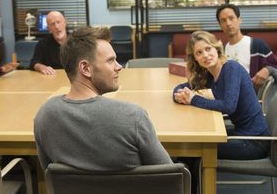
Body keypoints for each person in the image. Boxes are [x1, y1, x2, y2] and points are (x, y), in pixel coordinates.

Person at [34, 26, 173, 171]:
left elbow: (48, 172)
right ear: (85, 68)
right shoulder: (133, 117)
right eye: (110, 61)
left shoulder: (44, 116)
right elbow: (172, 176)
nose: (119, 67)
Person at [173, 31, 270, 160]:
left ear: (216, 48)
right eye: (199, 53)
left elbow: (228, 106)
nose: (205, 55)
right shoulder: (210, 75)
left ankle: (189, 172)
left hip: (254, 141)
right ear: (195, 59)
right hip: (241, 133)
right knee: (194, 139)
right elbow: (184, 86)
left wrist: (192, 99)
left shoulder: (231, 68)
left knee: (194, 147)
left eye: (208, 49)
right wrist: (178, 95)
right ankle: (191, 172)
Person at [217, 3, 277, 88]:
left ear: (239, 20)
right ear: (220, 26)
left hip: (251, 94)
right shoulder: (221, 51)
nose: (228, 23)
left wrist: (268, 70)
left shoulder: (257, 45)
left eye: (231, 18)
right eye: (223, 20)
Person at [30, 10, 67, 75]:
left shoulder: (76, 41)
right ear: (48, 28)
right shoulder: (43, 43)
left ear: (65, 22)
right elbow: (33, 63)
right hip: (52, 76)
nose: (57, 27)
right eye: (52, 24)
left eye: (58, 22)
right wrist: (40, 67)